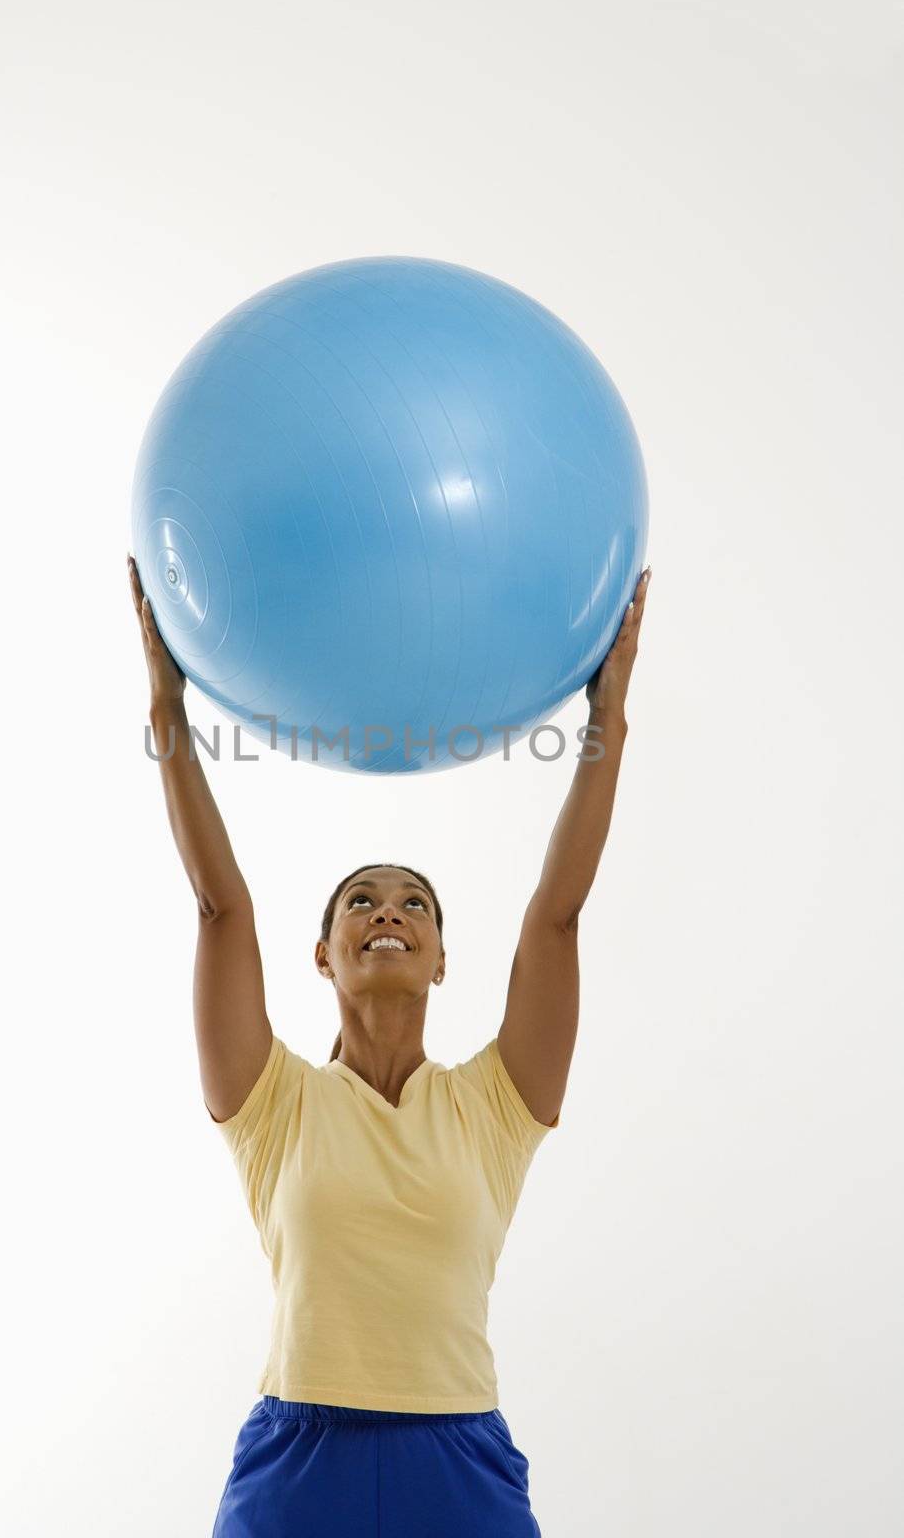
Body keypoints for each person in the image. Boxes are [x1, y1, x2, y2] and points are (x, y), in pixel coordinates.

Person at [128, 553, 650, 1537]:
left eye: (414, 903)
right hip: (298, 1458)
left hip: (456, 1458)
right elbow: (218, 905)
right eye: (358, 901)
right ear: (321, 956)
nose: (387, 913)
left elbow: (556, 919)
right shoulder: (270, 1104)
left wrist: (605, 723)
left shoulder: (496, 1104)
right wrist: (167, 711)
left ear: (443, 958)